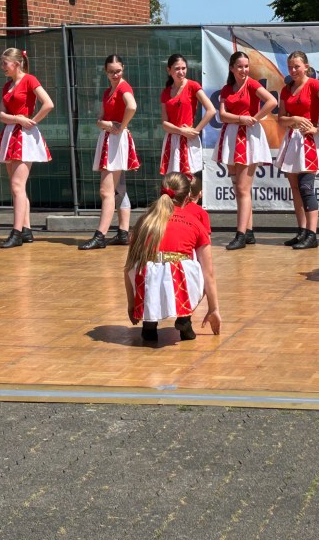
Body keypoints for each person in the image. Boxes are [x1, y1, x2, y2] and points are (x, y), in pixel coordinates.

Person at [123, 173, 221, 342]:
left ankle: (149, 323)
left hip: (145, 279)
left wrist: (132, 305)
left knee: (144, 266)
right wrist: (214, 309)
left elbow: (128, 267)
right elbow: (209, 273)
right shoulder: (195, 222)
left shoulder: (143, 221)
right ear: (188, 196)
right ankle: (184, 318)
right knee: (200, 269)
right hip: (180, 279)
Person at [275, 51, 319, 249]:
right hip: (292, 140)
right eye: (290, 67)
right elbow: (281, 119)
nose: (293, 70)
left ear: (306, 66)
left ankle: (312, 234)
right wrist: (293, 119)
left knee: (306, 187)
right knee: (295, 187)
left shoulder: (314, 85)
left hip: (308, 140)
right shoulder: (287, 89)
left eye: (297, 66)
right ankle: (302, 230)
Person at [0, 48, 54, 249]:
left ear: (17, 64)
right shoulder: (7, 86)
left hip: (24, 136)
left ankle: (17, 232)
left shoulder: (29, 80)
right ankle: (26, 229)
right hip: (11, 134)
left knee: (17, 185)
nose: (2, 66)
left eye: (5, 63)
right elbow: (2, 115)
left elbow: (48, 104)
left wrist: (32, 121)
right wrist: (17, 119)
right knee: (16, 186)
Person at [215, 51, 278, 250]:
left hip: (248, 138)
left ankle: (240, 234)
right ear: (232, 68)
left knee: (243, 189)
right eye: (240, 66)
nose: (244, 70)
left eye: (246, 66)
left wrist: (254, 118)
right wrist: (240, 118)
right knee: (239, 188)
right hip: (232, 136)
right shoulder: (227, 88)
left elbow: (272, 101)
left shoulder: (252, 84)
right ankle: (248, 231)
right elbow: (222, 115)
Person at [80, 54, 140, 250]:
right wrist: (105, 123)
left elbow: (132, 106)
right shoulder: (108, 91)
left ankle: (100, 235)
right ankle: (123, 232)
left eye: (118, 71)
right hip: (110, 139)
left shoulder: (123, 87)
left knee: (106, 191)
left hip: (116, 140)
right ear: (106, 72)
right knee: (119, 189)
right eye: (112, 72)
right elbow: (99, 118)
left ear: (123, 69)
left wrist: (122, 126)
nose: (116, 75)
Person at [160, 54, 216, 176]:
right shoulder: (165, 92)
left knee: (187, 177)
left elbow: (211, 110)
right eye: (177, 69)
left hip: (188, 139)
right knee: (172, 179)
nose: (181, 72)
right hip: (172, 139)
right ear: (169, 70)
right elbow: (164, 123)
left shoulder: (193, 86)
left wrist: (195, 131)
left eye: (183, 68)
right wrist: (180, 131)